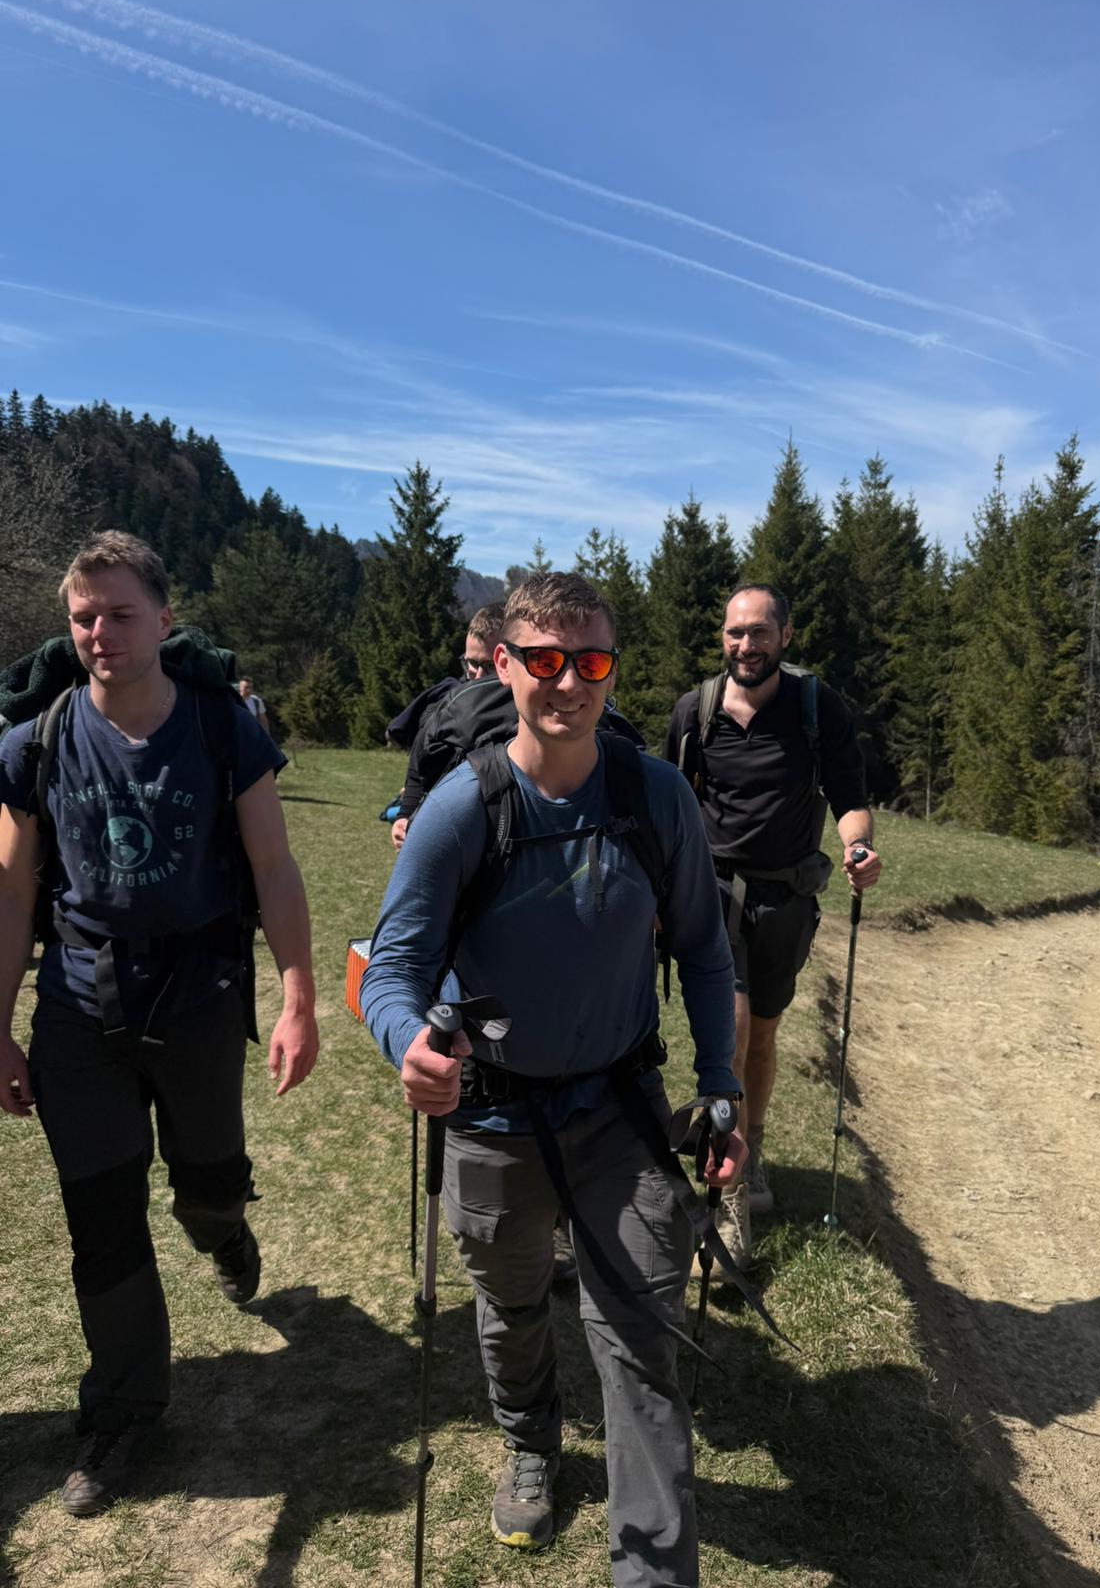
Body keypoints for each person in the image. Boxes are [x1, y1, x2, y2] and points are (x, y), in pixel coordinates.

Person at [361, 572, 743, 1585]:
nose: (568, 682)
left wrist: (721, 1087)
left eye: (591, 661)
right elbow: (392, 968)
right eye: (543, 659)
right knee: (513, 1300)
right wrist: (406, 1043)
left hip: (621, 1113)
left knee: (640, 1344)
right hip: (490, 1114)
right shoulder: (462, 807)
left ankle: (651, 1572)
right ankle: (531, 1438)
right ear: (504, 664)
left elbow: (706, 954)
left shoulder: (654, 796)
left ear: (613, 669)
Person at [0, 531, 319, 1516]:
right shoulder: (36, 739)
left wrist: (298, 997)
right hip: (77, 1005)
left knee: (207, 1185)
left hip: (198, 998)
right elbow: (12, 889)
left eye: (120, 613)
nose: (100, 632)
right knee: (102, 1216)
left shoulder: (222, 728)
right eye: (83, 616)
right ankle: (125, 1410)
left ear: (164, 618)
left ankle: (223, 1230)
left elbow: (272, 866)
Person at [663, 583, 881, 1270]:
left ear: (785, 636)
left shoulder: (818, 708)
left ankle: (749, 1146)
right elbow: (670, 801)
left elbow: (849, 798)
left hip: (785, 900)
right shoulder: (696, 712)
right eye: (735, 632)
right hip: (712, 896)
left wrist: (857, 848)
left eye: (759, 632)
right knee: (729, 1034)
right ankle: (727, 1204)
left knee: (761, 1036)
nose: (746, 645)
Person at [387, 600, 505, 852]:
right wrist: (405, 815)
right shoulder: (450, 700)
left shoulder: (529, 708)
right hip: (440, 833)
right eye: (471, 663)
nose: (477, 675)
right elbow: (420, 760)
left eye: (489, 666)